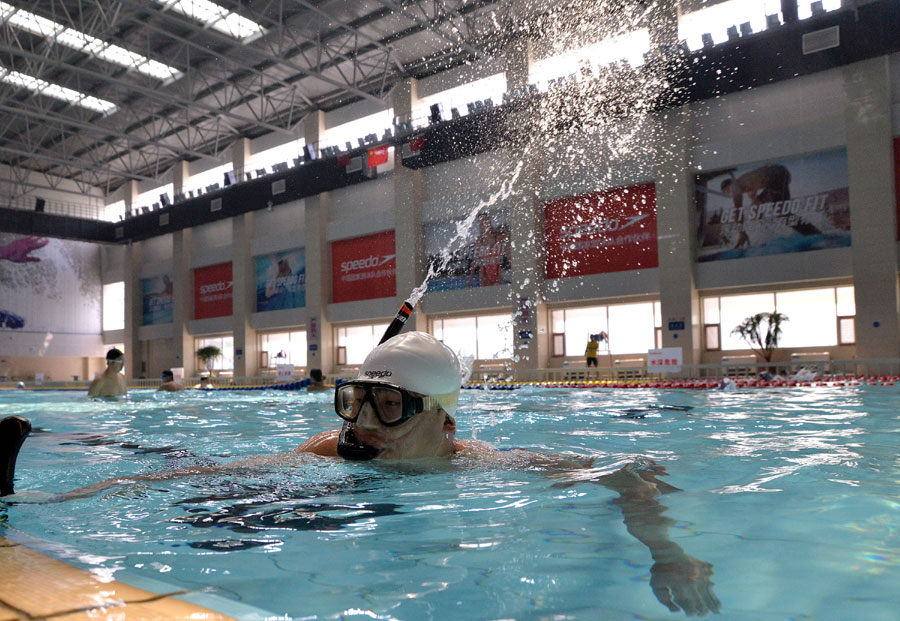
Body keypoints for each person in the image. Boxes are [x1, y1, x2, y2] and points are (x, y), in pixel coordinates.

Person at [1, 332, 719, 615]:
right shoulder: (333, 448)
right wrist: (56, 495)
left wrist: (668, 547)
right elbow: (202, 471)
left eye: (388, 406)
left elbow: (628, 473)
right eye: (355, 402)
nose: (363, 426)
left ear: (445, 425)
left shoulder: (486, 466)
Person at [720, 164, 791, 209]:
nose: (730, 193)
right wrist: (754, 199)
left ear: (729, 186)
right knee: (784, 211)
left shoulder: (735, 185)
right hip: (780, 174)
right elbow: (757, 201)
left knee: (780, 210)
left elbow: (738, 206)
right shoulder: (745, 184)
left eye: (728, 191)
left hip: (774, 176)